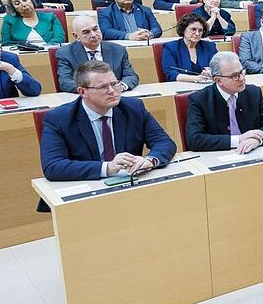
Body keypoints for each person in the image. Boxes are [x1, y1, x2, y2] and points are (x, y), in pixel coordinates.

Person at [40, 60, 176, 181]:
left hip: (128, 182)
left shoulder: (134, 108)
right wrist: (107, 168)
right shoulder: (59, 118)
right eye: (103, 87)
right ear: (82, 92)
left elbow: (164, 142)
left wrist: (150, 160)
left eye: (114, 84)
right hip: (86, 186)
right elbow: (53, 166)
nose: (112, 91)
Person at [184, 51, 263, 155]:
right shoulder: (199, 99)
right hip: (218, 156)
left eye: (242, 72)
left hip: (252, 153)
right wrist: (239, 139)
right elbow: (195, 140)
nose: (242, 78)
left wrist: (256, 140)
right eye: (234, 76)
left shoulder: (253, 92)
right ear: (218, 80)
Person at [56, 15, 138, 93]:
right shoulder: (65, 53)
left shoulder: (118, 50)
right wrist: (94, 90)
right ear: (76, 36)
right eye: (86, 32)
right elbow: (65, 82)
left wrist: (121, 86)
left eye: (95, 29)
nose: (94, 35)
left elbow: (131, 76)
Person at [97, 0, 162, 41]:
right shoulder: (105, 13)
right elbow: (106, 32)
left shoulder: (145, 10)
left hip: (143, 45)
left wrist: (150, 34)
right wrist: (129, 36)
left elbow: (157, 29)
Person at [161, 14, 217, 83]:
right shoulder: (171, 47)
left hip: (207, 87)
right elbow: (170, 74)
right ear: (183, 29)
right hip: (181, 87)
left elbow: (218, 68)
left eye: (200, 30)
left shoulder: (210, 46)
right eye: (193, 29)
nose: (197, 33)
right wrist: (196, 78)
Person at [0, 0, 66, 45]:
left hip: (48, 52)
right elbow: (6, 43)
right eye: (17, 3)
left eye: (25, 0)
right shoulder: (9, 20)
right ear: (14, 8)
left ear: (31, 0)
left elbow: (60, 38)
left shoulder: (50, 17)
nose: (23, 4)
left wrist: (46, 47)